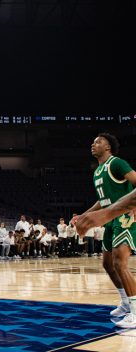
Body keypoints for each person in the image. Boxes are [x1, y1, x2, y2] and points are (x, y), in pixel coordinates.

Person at [72, 133, 136, 328]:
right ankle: (125, 303)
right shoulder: (98, 171)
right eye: (92, 142)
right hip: (109, 220)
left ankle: (135, 311)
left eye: (98, 142)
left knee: (120, 263)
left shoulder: (117, 163)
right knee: (108, 265)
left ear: (108, 147)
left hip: (124, 217)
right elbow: (103, 200)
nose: (93, 144)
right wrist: (84, 215)